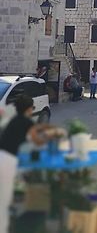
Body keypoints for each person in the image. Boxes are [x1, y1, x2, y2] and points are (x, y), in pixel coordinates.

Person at [0, 96, 53, 233]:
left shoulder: (12, 121)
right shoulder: (27, 123)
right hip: (11, 163)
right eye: (32, 108)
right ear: (29, 109)